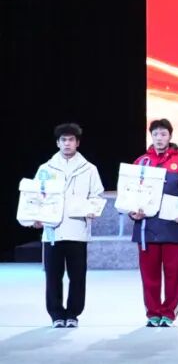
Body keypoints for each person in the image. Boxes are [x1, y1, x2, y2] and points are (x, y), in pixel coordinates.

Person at [19, 123, 105, 328]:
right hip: (52, 231)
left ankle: (73, 314)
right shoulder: (45, 169)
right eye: (63, 140)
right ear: (57, 143)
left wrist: (92, 209)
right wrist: (35, 218)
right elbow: (35, 196)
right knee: (53, 276)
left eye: (71, 140)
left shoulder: (89, 169)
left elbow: (96, 195)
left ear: (77, 143)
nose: (67, 143)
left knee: (77, 277)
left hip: (77, 231)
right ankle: (56, 314)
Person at [130, 118, 178, 327]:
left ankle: (168, 313)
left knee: (173, 274)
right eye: (156, 134)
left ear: (170, 136)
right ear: (151, 136)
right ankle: (153, 313)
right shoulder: (141, 163)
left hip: (173, 227)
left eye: (163, 134)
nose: (159, 138)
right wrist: (132, 212)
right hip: (146, 227)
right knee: (149, 275)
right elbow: (130, 192)